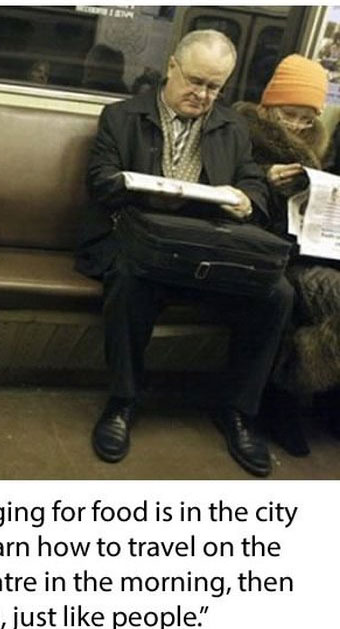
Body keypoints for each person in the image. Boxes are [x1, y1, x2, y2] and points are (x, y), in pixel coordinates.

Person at [75, 29, 294, 477]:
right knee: (129, 278)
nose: (203, 94)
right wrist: (147, 190)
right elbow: (100, 181)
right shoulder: (122, 117)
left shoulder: (231, 127)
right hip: (142, 243)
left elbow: (253, 184)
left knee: (279, 295)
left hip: (204, 247)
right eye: (195, 81)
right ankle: (123, 401)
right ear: (171, 66)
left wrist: (247, 200)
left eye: (215, 86)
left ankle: (237, 409)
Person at [234, 54, 340, 454]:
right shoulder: (240, 133)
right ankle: (286, 395)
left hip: (314, 253)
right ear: (266, 106)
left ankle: (312, 391)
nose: (296, 125)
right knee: (292, 296)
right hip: (268, 252)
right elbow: (228, 193)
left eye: (305, 118)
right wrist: (264, 182)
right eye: (287, 114)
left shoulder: (317, 145)